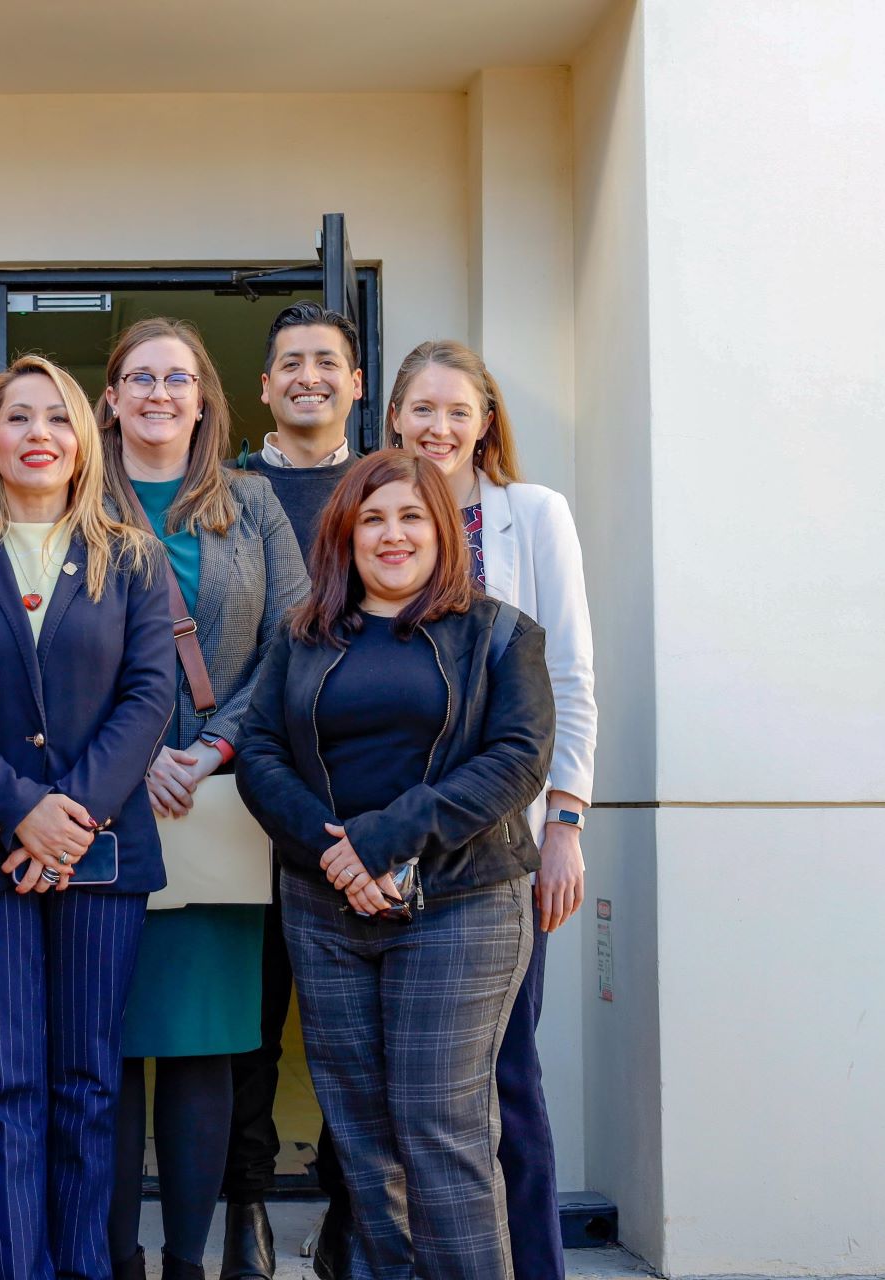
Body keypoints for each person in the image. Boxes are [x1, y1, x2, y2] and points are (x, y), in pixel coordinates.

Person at [236, 449, 554, 1279]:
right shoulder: (301, 634)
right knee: (364, 1139)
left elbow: (518, 758)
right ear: (344, 532)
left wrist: (381, 841)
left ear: (441, 529)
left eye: (411, 516)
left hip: (462, 903)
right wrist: (333, 851)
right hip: (325, 906)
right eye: (372, 517)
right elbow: (263, 750)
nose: (391, 533)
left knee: (439, 1132)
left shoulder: (499, 632)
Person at [0, 354, 174, 1280]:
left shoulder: (128, 556)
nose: (38, 436)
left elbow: (150, 696)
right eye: (17, 419)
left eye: (56, 419)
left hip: (103, 857)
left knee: (87, 1086)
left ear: (82, 441)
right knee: (1, 1088)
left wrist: (74, 818)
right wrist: (22, 813)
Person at [95, 318, 307, 1280]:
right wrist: (130, 756)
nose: (159, 394)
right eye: (140, 378)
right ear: (109, 398)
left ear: (206, 399)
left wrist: (217, 743)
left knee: (201, 1047)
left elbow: (297, 642)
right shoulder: (71, 494)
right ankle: (112, 1258)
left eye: (178, 378)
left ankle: (186, 1260)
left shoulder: (254, 506)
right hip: (99, 807)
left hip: (216, 808)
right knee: (103, 1051)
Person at [386, 339, 597, 1280]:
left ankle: (536, 1267)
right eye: (422, 409)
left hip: (506, 839)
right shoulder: (375, 516)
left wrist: (566, 823)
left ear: (485, 422)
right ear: (393, 416)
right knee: (412, 1091)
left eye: (456, 411)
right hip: (395, 835)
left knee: (505, 1075)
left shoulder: (532, 515)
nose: (438, 427)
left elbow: (571, 677)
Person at [223, 301, 366, 1280]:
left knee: (354, 1039)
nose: (309, 374)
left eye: (329, 361)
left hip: (368, 804)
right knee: (247, 1028)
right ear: (264, 386)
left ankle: (352, 1218)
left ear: (358, 383)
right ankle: (246, 1214)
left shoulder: (394, 486)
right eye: (290, 363)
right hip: (250, 796)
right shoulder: (228, 492)